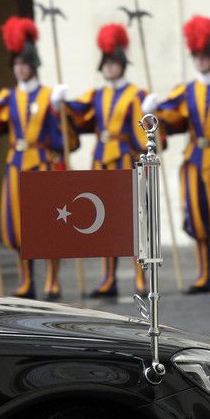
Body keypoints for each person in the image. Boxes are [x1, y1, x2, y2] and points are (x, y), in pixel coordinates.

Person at [0, 16, 68, 300]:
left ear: (33, 64)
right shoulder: (9, 97)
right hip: (16, 164)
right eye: (16, 63)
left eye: (24, 63)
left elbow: (63, 138)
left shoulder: (49, 95)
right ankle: (26, 280)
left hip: (43, 163)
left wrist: (58, 110)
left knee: (49, 224)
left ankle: (52, 279)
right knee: (19, 224)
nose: (20, 68)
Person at [146, 15, 210, 294]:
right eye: (197, 56)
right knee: (198, 218)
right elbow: (170, 117)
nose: (200, 60)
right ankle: (204, 275)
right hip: (194, 160)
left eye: (204, 55)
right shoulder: (185, 90)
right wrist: (153, 110)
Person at [57, 23, 151, 298]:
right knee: (102, 220)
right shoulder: (97, 95)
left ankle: (140, 277)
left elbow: (142, 131)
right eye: (106, 63)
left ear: (121, 64)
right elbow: (79, 111)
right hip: (100, 160)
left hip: (124, 160)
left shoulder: (135, 94)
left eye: (113, 63)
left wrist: (144, 158)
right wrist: (61, 103)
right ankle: (108, 278)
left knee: (132, 221)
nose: (109, 68)